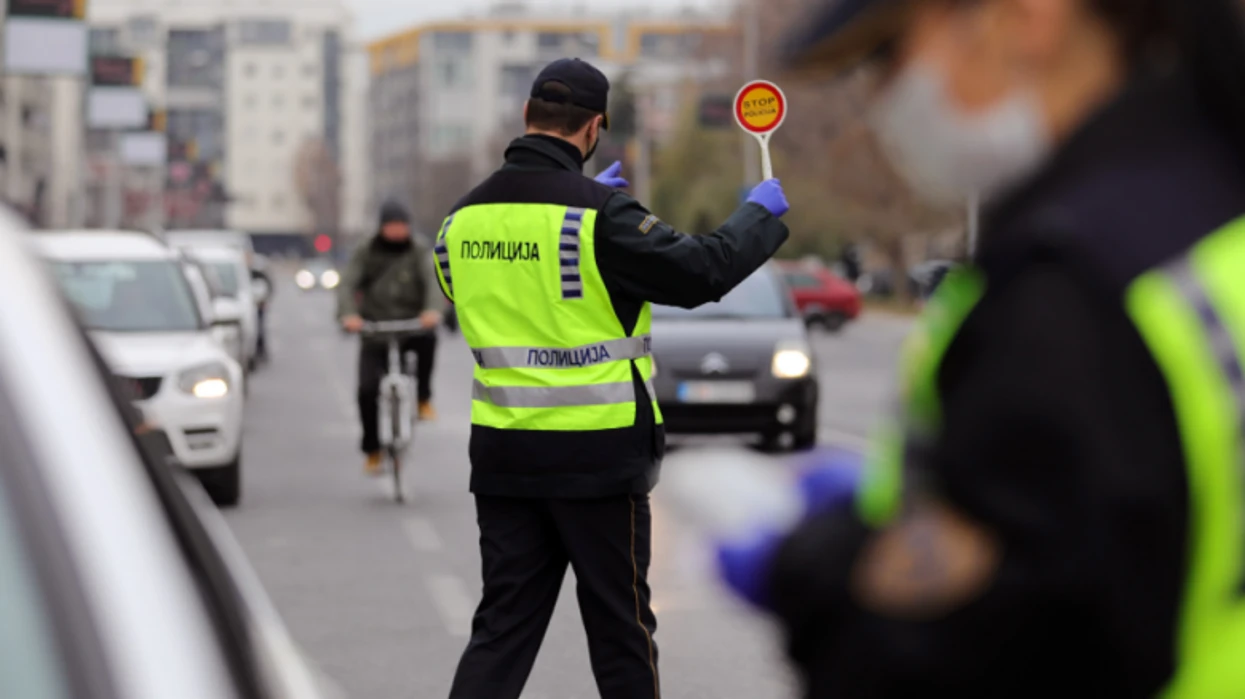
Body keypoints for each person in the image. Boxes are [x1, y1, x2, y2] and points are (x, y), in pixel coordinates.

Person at [700, 0, 1245, 697]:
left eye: (889, 55)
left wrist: (811, 573)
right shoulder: (1208, 217)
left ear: (1027, 17)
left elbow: (965, 655)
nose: (880, 100)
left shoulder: (1064, 294)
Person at [436, 57, 791, 699]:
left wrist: (576, 209)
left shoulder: (458, 222)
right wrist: (757, 216)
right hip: (598, 458)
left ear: (527, 115)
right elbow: (700, 271)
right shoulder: (600, 216)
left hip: (504, 456)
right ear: (595, 127)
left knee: (502, 630)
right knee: (620, 631)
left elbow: (481, 288)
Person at [337, 201, 443, 475]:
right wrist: (349, 315)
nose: (397, 230)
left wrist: (432, 310)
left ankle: (423, 398)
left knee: (429, 341)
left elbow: (432, 281)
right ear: (382, 227)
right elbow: (347, 284)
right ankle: (372, 450)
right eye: (392, 225)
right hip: (375, 329)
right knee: (367, 390)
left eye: (402, 225)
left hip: (411, 326)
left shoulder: (419, 250)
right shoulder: (366, 251)